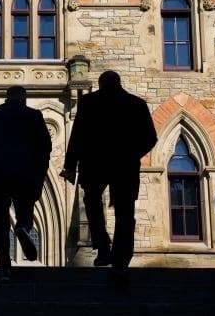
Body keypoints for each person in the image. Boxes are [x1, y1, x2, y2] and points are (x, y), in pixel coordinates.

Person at [60, 70, 157, 277]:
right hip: (125, 165)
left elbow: (77, 136)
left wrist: (70, 165)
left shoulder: (89, 103)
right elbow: (150, 138)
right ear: (119, 83)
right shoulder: (136, 104)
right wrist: (133, 154)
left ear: (101, 84)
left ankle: (103, 247)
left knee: (93, 205)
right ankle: (121, 258)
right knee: (125, 212)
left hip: (95, 163)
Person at [0, 85, 52, 283]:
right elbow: (44, 148)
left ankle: (4, 270)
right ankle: (23, 227)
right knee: (24, 211)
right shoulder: (33, 116)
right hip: (23, 174)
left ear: (6, 98)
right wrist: (37, 173)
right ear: (24, 98)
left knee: (0, 223)